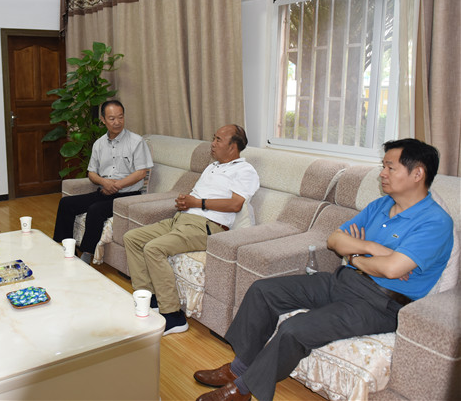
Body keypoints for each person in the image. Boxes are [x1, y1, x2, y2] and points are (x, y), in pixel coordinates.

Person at [193, 138, 453, 401]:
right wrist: (371, 248)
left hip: (380, 304)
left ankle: (242, 390)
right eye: (383, 166)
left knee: (295, 329)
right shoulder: (381, 205)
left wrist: (355, 256)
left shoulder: (435, 222)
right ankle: (239, 369)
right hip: (343, 281)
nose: (382, 174)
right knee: (262, 291)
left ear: (417, 174)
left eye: (390, 167)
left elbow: (392, 269)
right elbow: (334, 239)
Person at [124, 124, 260, 335]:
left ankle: (173, 316)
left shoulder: (244, 170)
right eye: (213, 138)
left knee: (153, 248)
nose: (212, 144)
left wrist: (197, 203)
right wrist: (185, 202)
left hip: (206, 226)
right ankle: (150, 300)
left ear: (233, 146)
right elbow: (199, 196)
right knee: (132, 237)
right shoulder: (212, 166)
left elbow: (235, 204)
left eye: (218, 140)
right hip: (181, 219)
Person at [52, 100, 153, 264]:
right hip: (104, 191)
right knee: (66, 203)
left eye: (120, 117)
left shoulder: (136, 141)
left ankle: (87, 253)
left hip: (128, 196)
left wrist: (116, 185)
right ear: (103, 120)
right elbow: (91, 173)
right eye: (112, 118)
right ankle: (65, 247)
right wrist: (104, 183)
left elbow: (141, 172)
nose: (117, 122)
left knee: (96, 209)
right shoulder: (99, 144)